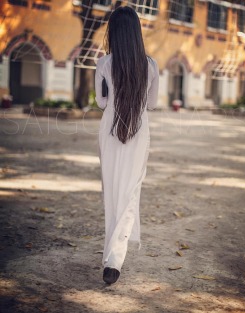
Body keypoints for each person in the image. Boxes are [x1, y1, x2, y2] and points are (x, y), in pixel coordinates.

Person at [95, 5, 159, 285]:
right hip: (138, 129)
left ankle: (113, 258)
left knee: (112, 191)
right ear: (136, 33)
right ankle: (114, 259)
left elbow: (100, 102)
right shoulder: (151, 65)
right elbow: (153, 104)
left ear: (113, 32)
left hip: (109, 130)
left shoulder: (104, 64)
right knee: (130, 191)